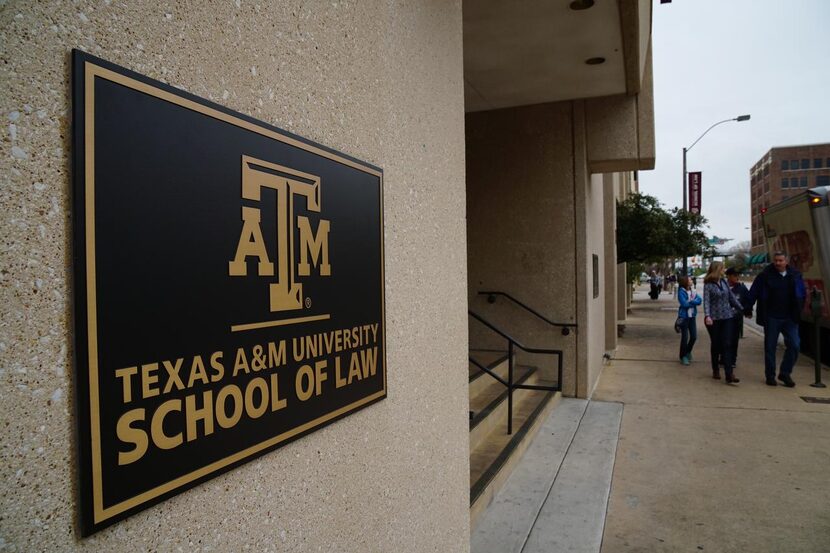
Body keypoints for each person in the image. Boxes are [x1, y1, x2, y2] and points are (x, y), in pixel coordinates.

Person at [744, 251, 806, 387]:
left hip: (790, 317)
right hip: (771, 316)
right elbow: (754, 292)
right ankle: (770, 375)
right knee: (770, 347)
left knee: (795, 345)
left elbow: (802, 293)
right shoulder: (765, 276)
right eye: (776, 260)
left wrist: (800, 309)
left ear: (786, 261)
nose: (778, 263)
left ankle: (785, 373)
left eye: (780, 261)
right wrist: (748, 307)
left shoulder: (795, 275)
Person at [703, 261, 744, 383]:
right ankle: (715, 369)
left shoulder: (724, 282)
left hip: (727, 317)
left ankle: (729, 374)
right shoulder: (708, 285)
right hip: (714, 319)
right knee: (716, 345)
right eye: (722, 268)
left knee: (727, 344)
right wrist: (707, 316)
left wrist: (741, 308)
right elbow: (706, 302)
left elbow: (731, 297)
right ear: (717, 269)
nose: (724, 270)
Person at [725, 267, 752, 367]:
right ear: (728, 276)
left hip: (736, 318)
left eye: (737, 275)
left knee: (734, 339)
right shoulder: (723, 287)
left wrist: (748, 311)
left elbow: (747, 300)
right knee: (724, 339)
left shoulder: (741, 288)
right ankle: (723, 358)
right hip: (724, 317)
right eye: (734, 275)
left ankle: (732, 360)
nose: (737, 277)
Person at [677, 275, 701, 365]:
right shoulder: (681, 292)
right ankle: (683, 356)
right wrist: (693, 302)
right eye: (690, 280)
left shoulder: (693, 291)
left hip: (692, 317)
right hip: (684, 317)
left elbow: (699, 300)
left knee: (694, 336)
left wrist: (691, 302)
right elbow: (684, 304)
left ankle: (688, 351)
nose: (691, 281)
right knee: (685, 338)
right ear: (685, 282)